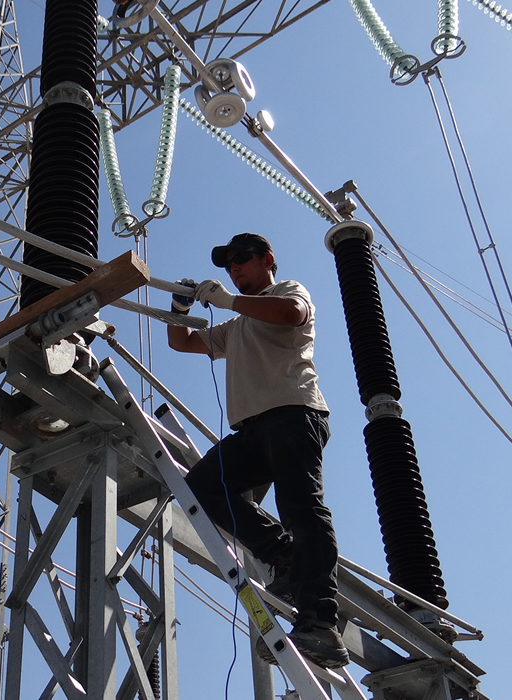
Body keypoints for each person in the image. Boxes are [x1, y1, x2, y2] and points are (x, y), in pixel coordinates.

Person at [166, 232, 348, 669]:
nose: (234, 268)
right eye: (228, 264)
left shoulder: (286, 292)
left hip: (293, 415)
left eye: (242, 259)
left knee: (303, 509)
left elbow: (291, 314)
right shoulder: (238, 326)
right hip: (252, 430)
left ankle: (321, 624)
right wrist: (180, 307)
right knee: (201, 489)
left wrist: (227, 300)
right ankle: (280, 552)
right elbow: (182, 343)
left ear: (268, 259)